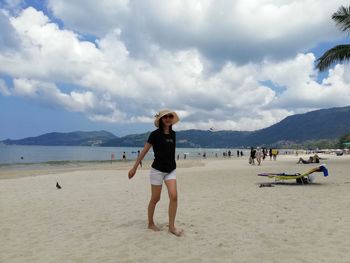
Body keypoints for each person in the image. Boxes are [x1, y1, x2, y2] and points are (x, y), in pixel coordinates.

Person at [128, 109, 183, 237]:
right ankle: (150, 223)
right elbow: (144, 151)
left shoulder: (173, 134)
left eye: (170, 116)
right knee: (155, 198)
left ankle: (172, 226)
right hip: (157, 170)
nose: (168, 118)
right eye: (165, 117)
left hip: (171, 170)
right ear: (160, 120)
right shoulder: (154, 135)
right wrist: (134, 167)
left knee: (174, 196)